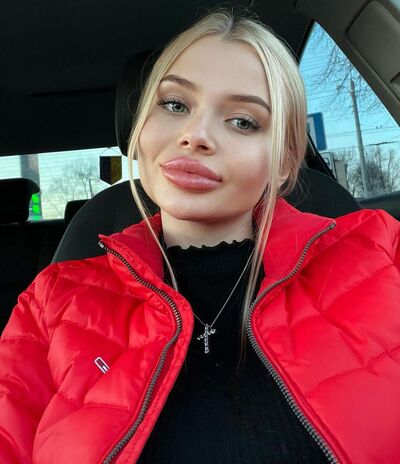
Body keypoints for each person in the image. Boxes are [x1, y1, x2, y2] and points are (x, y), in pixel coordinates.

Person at [0, 6, 399, 464]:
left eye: (243, 121)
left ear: (284, 162)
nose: (196, 135)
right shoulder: (51, 302)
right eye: (174, 105)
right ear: (140, 130)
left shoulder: (381, 253)